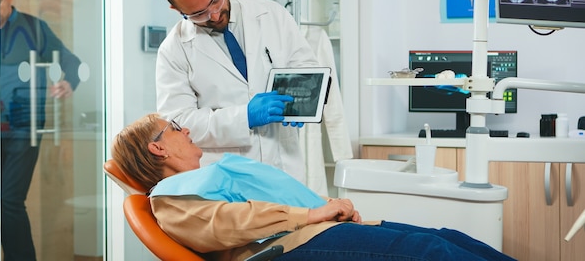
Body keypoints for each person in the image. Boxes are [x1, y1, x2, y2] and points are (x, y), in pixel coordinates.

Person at [111, 113, 516, 261]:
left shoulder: (202, 177)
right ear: (158, 147)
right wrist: (315, 214)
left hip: (315, 230)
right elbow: (231, 222)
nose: (187, 130)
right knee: (433, 253)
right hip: (285, 248)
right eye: (176, 127)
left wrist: (330, 206)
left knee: (448, 239)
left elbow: (278, 199)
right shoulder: (169, 200)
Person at [156, 0, 320, 183]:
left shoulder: (271, 14)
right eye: (197, 14)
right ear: (176, 9)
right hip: (227, 177)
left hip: (284, 166)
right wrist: (244, 117)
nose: (213, 15)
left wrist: (302, 102)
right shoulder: (173, 50)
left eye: (215, 1)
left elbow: (306, 67)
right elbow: (180, 122)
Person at [0, 0, 82, 261]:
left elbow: (72, 63)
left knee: (9, 201)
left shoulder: (33, 28)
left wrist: (68, 82)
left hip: (24, 129)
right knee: (2, 205)